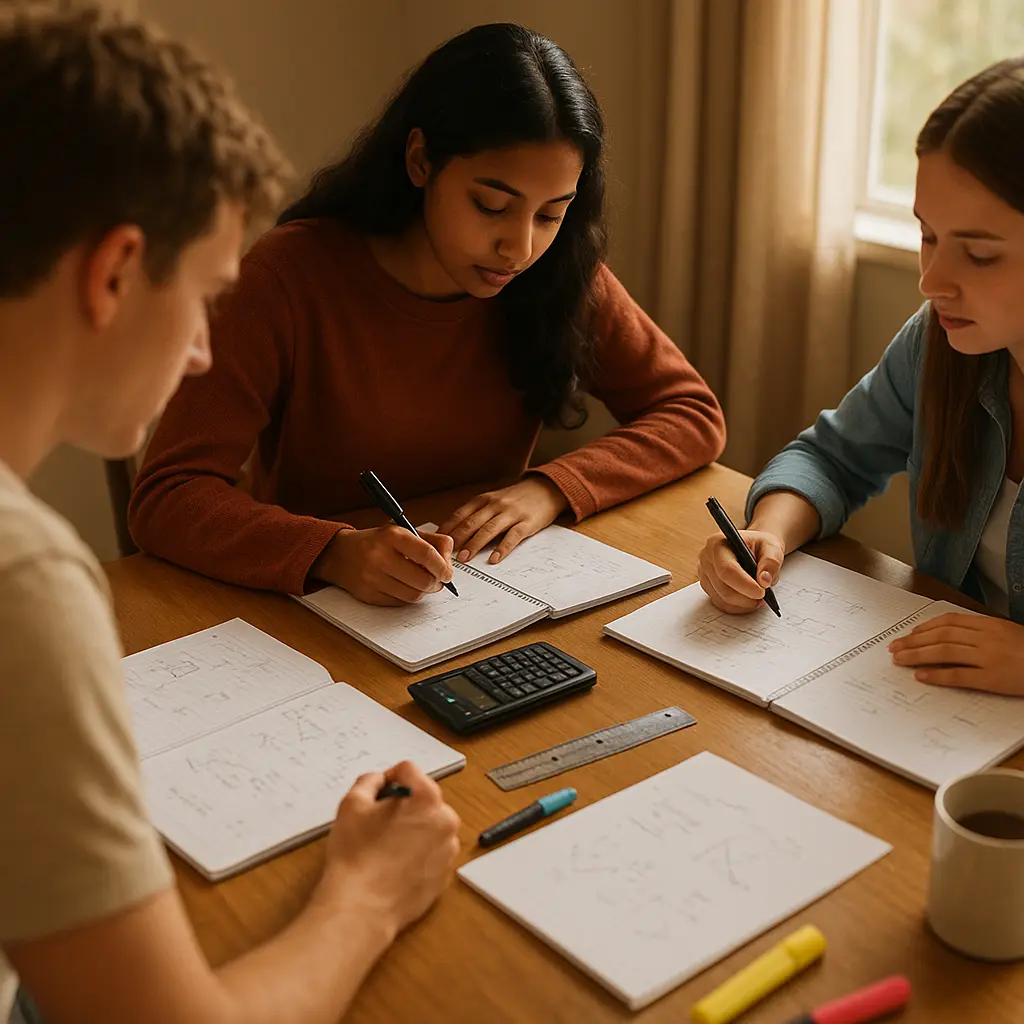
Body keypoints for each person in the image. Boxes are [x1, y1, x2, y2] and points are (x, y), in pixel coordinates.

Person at [0, 7, 459, 1023]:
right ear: (114, 271)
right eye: (207, 296)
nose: (205, 350)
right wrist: (368, 894)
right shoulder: (21, 579)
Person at [127, 22, 727, 607]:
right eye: (491, 205)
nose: (519, 247)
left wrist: (548, 488)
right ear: (420, 160)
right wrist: (331, 550)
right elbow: (168, 495)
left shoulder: (557, 271)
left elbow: (690, 414)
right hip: (319, 611)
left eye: (550, 214)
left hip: (478, 595)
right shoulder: (288, 275)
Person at [697, 58, 1024, 698]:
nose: (932, 282)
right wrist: (769, 533)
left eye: (979, 253)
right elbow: (832, 457)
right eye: (928, 237)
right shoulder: (940, 344)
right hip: (940, 706)